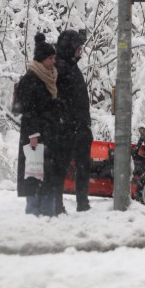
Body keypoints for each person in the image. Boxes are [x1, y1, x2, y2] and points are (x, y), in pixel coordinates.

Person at [16, 34, 63, 217]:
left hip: (48, 136)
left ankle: (47, 215)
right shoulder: (31, 79)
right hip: (36, 139)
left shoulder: (48, 78)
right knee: (35, 177)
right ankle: (35, 216)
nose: (53, 62)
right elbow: (29, 111)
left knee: (46, 178)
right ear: (42, 60)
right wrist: (34, 135)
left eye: (53, 58)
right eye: (50, 58)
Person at [56, 29, 92, 212]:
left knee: (83, 165)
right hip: (70, 128)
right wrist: (68, 121)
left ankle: (82, 202)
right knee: (62, 166)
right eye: (78, 48)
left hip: (79, 127)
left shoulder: (70, 66)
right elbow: (59, 100)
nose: (81, 52)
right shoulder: (61, 69)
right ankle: (58, 203)